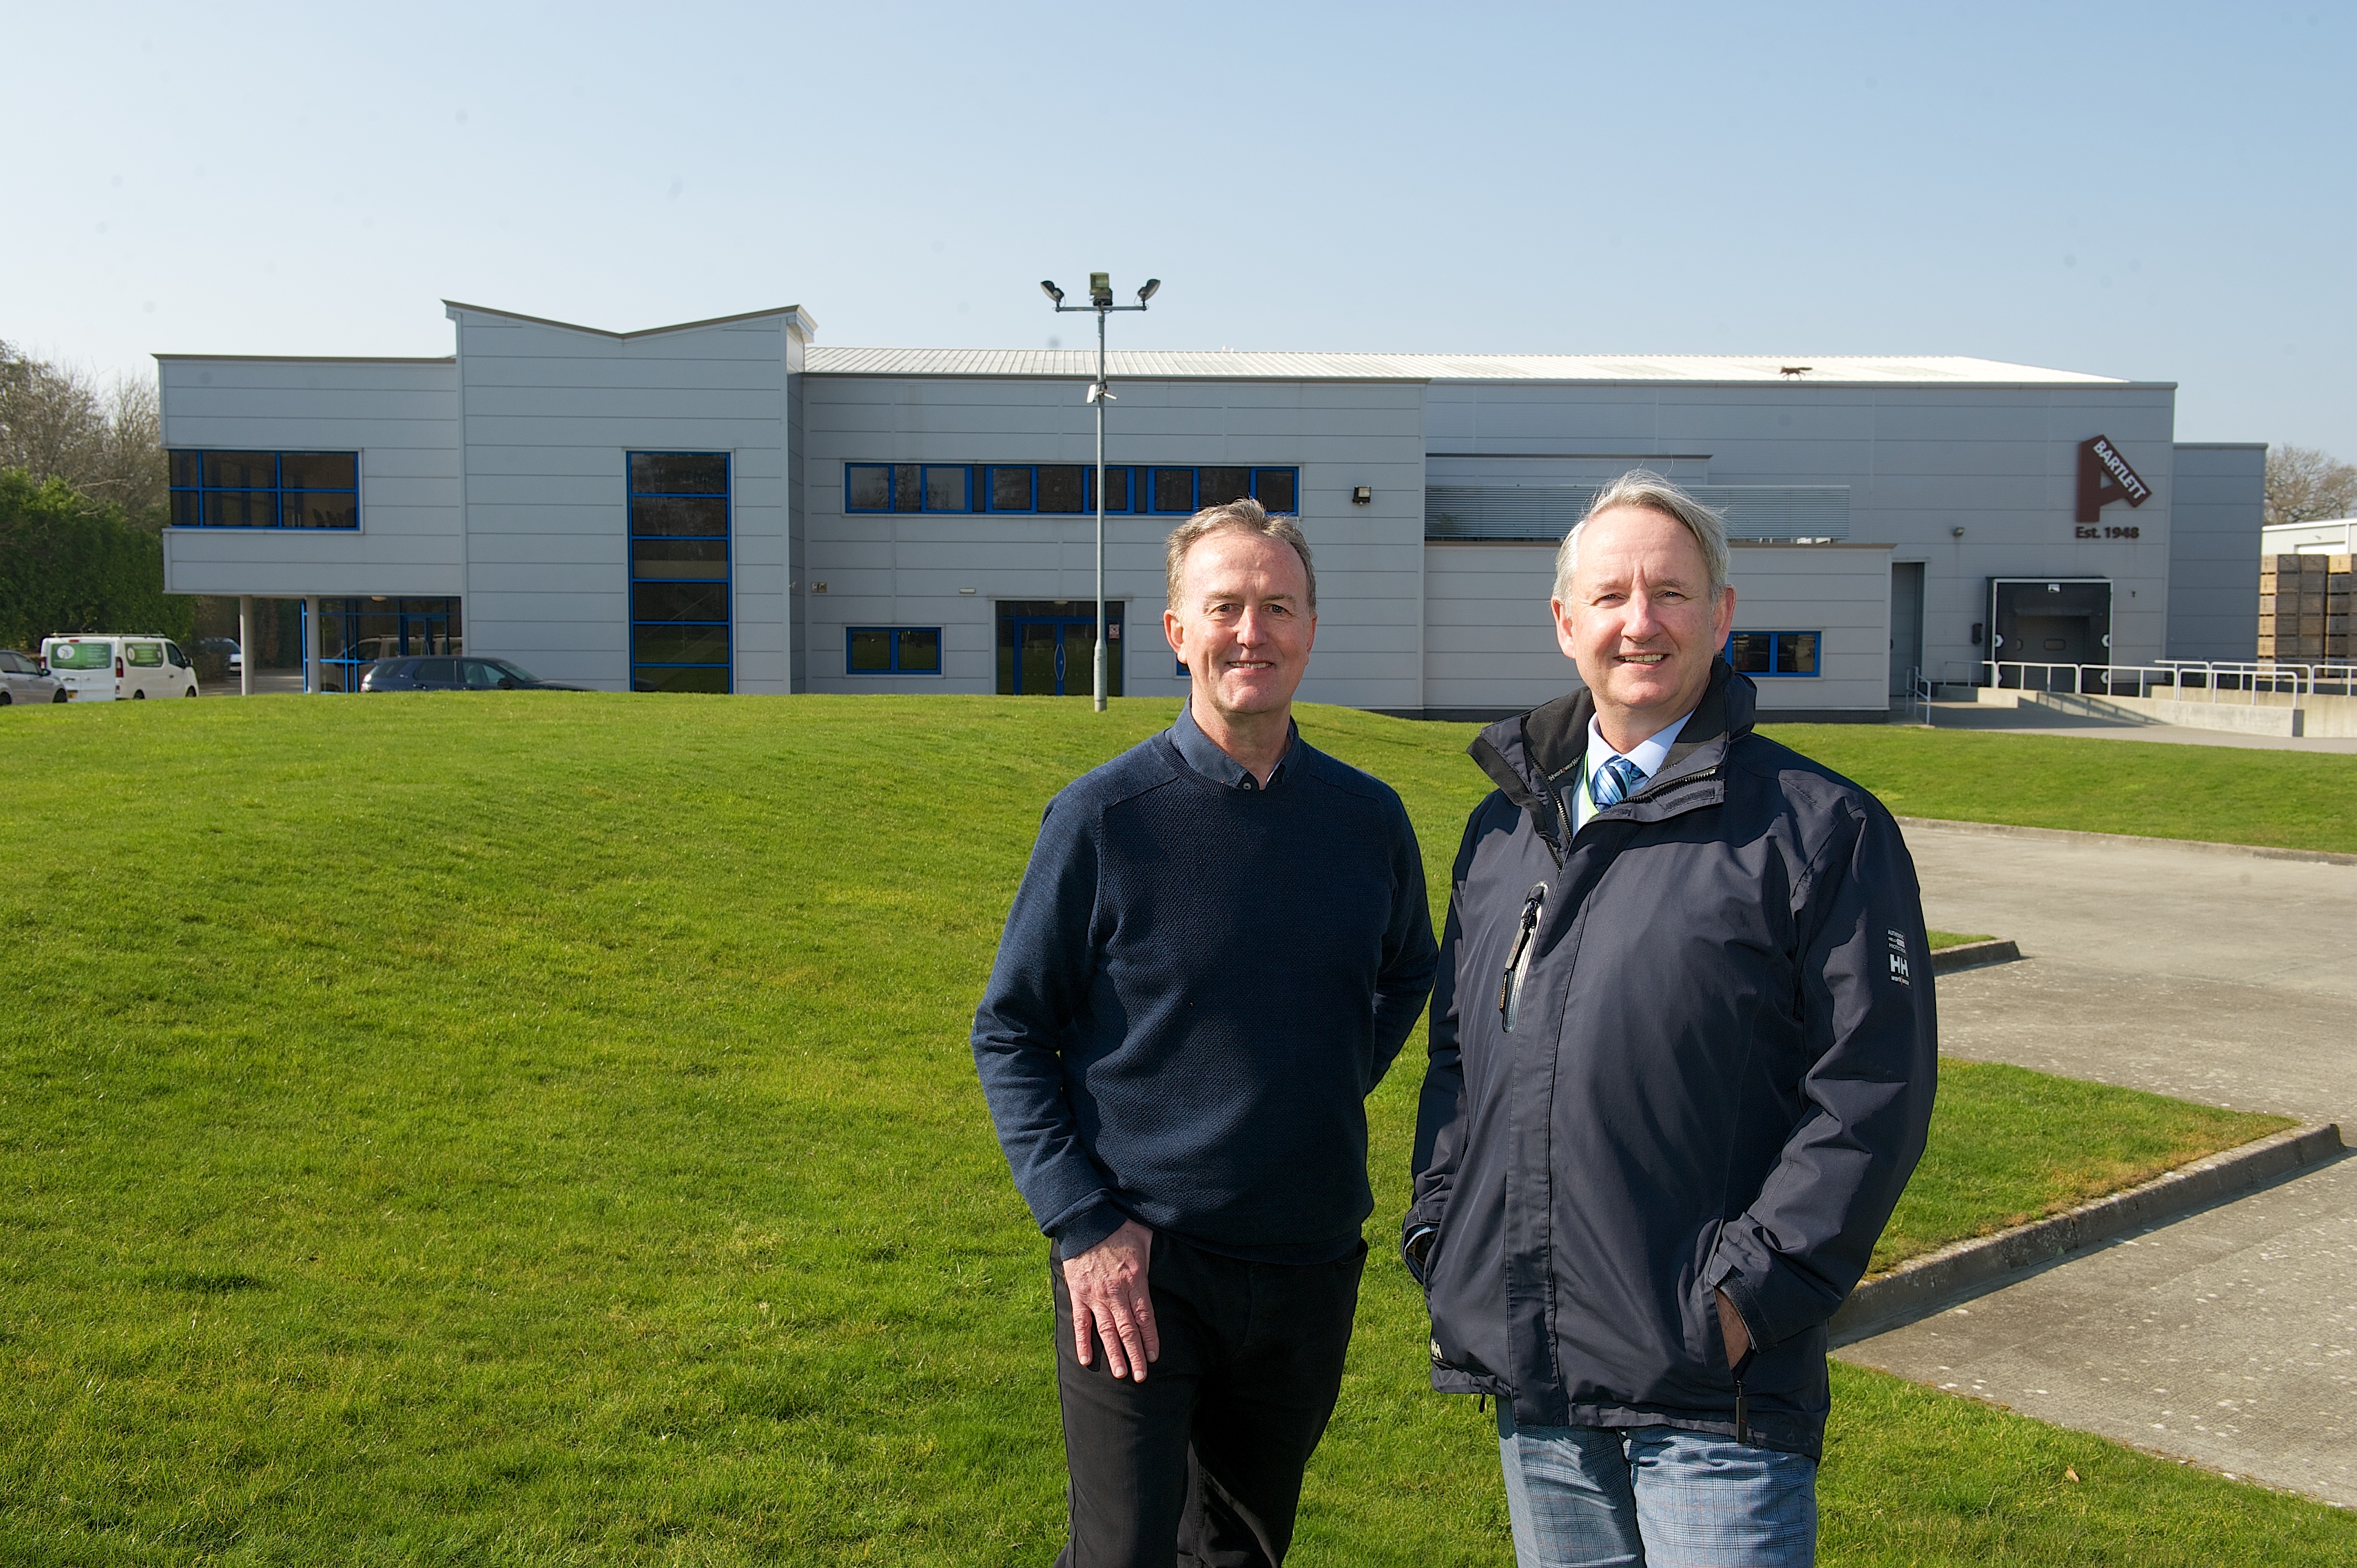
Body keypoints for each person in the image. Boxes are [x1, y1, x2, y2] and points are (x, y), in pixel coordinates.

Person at [1401, 471, 1937, 1567]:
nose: (1637, 622)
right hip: (1538, 1380)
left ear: (1722, 614)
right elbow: (1458, 1054)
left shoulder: (1819, 830)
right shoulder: (1501, 832)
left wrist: (1747, 1297)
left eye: (1670, 594)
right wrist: (1444, 1227)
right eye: (1608, 597)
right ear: (1565, 624)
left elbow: (1872, 1088)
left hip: (1711, 1395)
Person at [974, 498, 1440, 1567]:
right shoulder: (1103, 818)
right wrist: (1085, 1227)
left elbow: (1410, 966)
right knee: (1126, 1552)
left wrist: (1322, 1077)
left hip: (1307, 1258)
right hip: (1138, 1262)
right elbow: (1010, 1033)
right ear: (1176, 631)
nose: (1252, 632)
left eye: (1278, 606)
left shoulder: (1368, 820)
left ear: (1311, 629)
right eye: (1224, 606)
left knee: (1242, 1551)